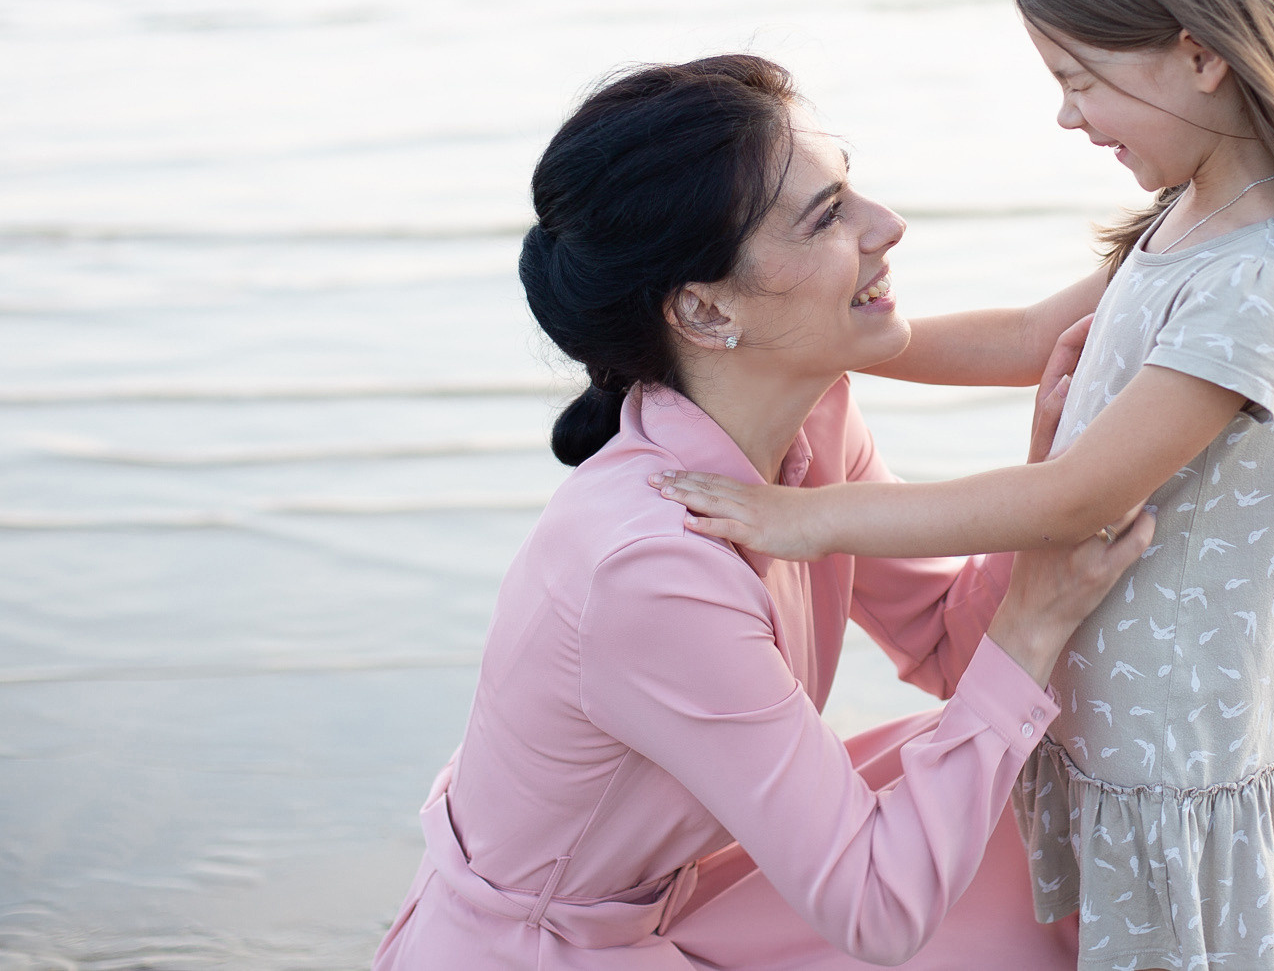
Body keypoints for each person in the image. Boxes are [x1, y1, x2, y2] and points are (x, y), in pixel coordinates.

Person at [654, 0, 1274, 971]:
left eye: (1081, 78)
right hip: (1100, 719)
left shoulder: (1260, 278)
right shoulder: (1188, 219)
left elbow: (1074, 497)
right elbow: (1025, 340)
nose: (1064, 113)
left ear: (1199, 55)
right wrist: (820, 336)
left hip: (1164, 747)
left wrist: (807, 520)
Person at [373, 54, 1156, 970]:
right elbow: (879, 908)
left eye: (851, 190)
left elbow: (948, 643)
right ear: (704, 311)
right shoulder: (648, 566)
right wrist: (1034, 611)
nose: (888, 225)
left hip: (678, 901)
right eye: (828, 217)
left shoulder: (811, 423)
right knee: (976, 772)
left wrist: (1046, 490)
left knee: (1019, 782)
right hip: (539, 955)